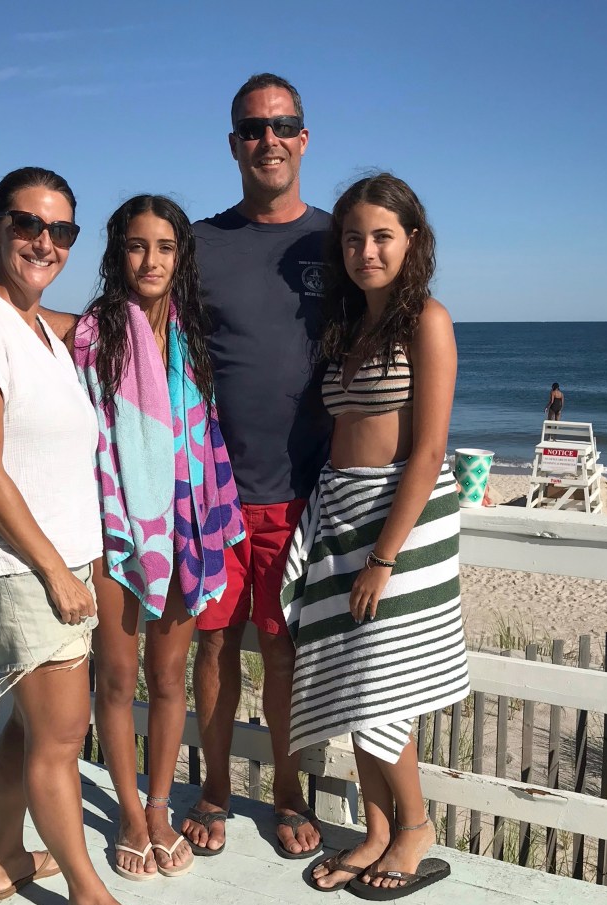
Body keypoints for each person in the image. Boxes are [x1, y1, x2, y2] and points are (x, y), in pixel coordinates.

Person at [0, 166, 168, 905]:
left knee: (26, 733)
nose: (45, 241)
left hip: (44, 562)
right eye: (28, 224)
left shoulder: (29, 324)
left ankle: (4, 861)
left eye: (61, 230)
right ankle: (87, 901)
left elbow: (108, 327)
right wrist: (60, 575)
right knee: (62, 742)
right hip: (26, 569)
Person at [282, 173, 470, 899]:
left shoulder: (428, 319)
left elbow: (427, 451)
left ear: (411, 241)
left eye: (382, 235)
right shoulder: (347, 325)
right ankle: (377, 831)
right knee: (351, 677)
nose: (366, 250)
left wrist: (384, 557)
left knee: (380, 676)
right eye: (354, 237)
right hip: (341, 516)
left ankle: (415, 827)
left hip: (401, 521)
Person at [67, 196, 244, 881]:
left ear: (181, 255)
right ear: (118, 253)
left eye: (165, 246)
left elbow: (208, 431)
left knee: (168, 678)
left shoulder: (195, 333)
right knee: (115, 679)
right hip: (115, 523)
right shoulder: (91, 333)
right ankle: (129, 812)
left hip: (184, 523)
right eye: (137, 246)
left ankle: (163, 805)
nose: (151, 260)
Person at [181, 73, 333, 859]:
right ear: (233, 142)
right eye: (252, 128)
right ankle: (212, 790)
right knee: (213, 647)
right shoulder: (200, 243)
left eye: (283, 125)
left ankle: (285, 790)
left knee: (283, 649)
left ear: (304, 138)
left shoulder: (339, 241)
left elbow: (399, 341)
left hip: (301, 494)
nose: (267, 139)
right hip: (211, 494)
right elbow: (124, 334)